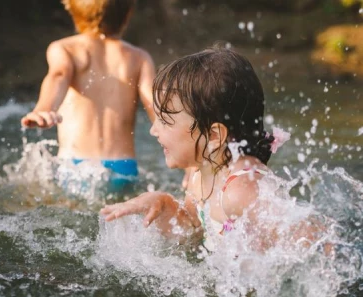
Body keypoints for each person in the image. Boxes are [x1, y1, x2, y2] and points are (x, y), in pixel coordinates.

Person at [100, 45, 295, 251]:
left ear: (213, 136)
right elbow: (192, 226)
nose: (153, 131)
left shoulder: (242, 188)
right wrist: (163, 204)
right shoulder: (199, 174)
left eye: (165, 121)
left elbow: (301, 231)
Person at [20, 0, 156, 193]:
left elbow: (58, 75)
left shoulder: (65, 49)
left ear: (71, 10)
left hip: (76, 168)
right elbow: (154, 104)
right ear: (128, 14)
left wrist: (44, 109)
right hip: (124, 168)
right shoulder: (139, 57)